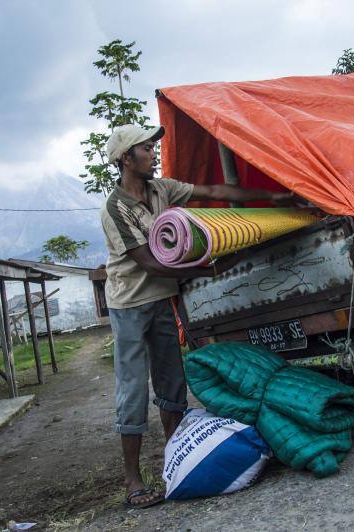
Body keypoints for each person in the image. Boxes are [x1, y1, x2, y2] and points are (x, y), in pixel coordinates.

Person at [101, 124, 293, 509]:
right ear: (125, 158)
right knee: (134, 388)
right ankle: (133, 478)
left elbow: (217, 192)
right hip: (130, 305)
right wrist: (211, 269)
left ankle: (175, 459)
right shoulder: (115, 208)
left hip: (162, 300)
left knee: (172, 382)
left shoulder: (162, 190)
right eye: (145, 148)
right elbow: (151, 264)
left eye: (153, 147)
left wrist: (274, 196)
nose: (153, 153)